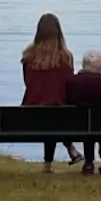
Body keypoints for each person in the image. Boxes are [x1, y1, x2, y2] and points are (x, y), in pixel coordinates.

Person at [22, 13, 84, 173]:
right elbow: (70, 86)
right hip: (60, 113)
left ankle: (50, 164)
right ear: (59, 32)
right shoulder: (65, 57)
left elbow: (27, 83)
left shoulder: (28, 56)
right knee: (56, 112)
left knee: (49, 112)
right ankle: (69, 150)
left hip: (30, 113)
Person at [66, 49, 101, 175]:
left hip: (79, 124)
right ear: (100, 67)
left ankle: (89, 163)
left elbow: (68, 101)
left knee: (88, 126)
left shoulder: (72, 81)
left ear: (84, 65)